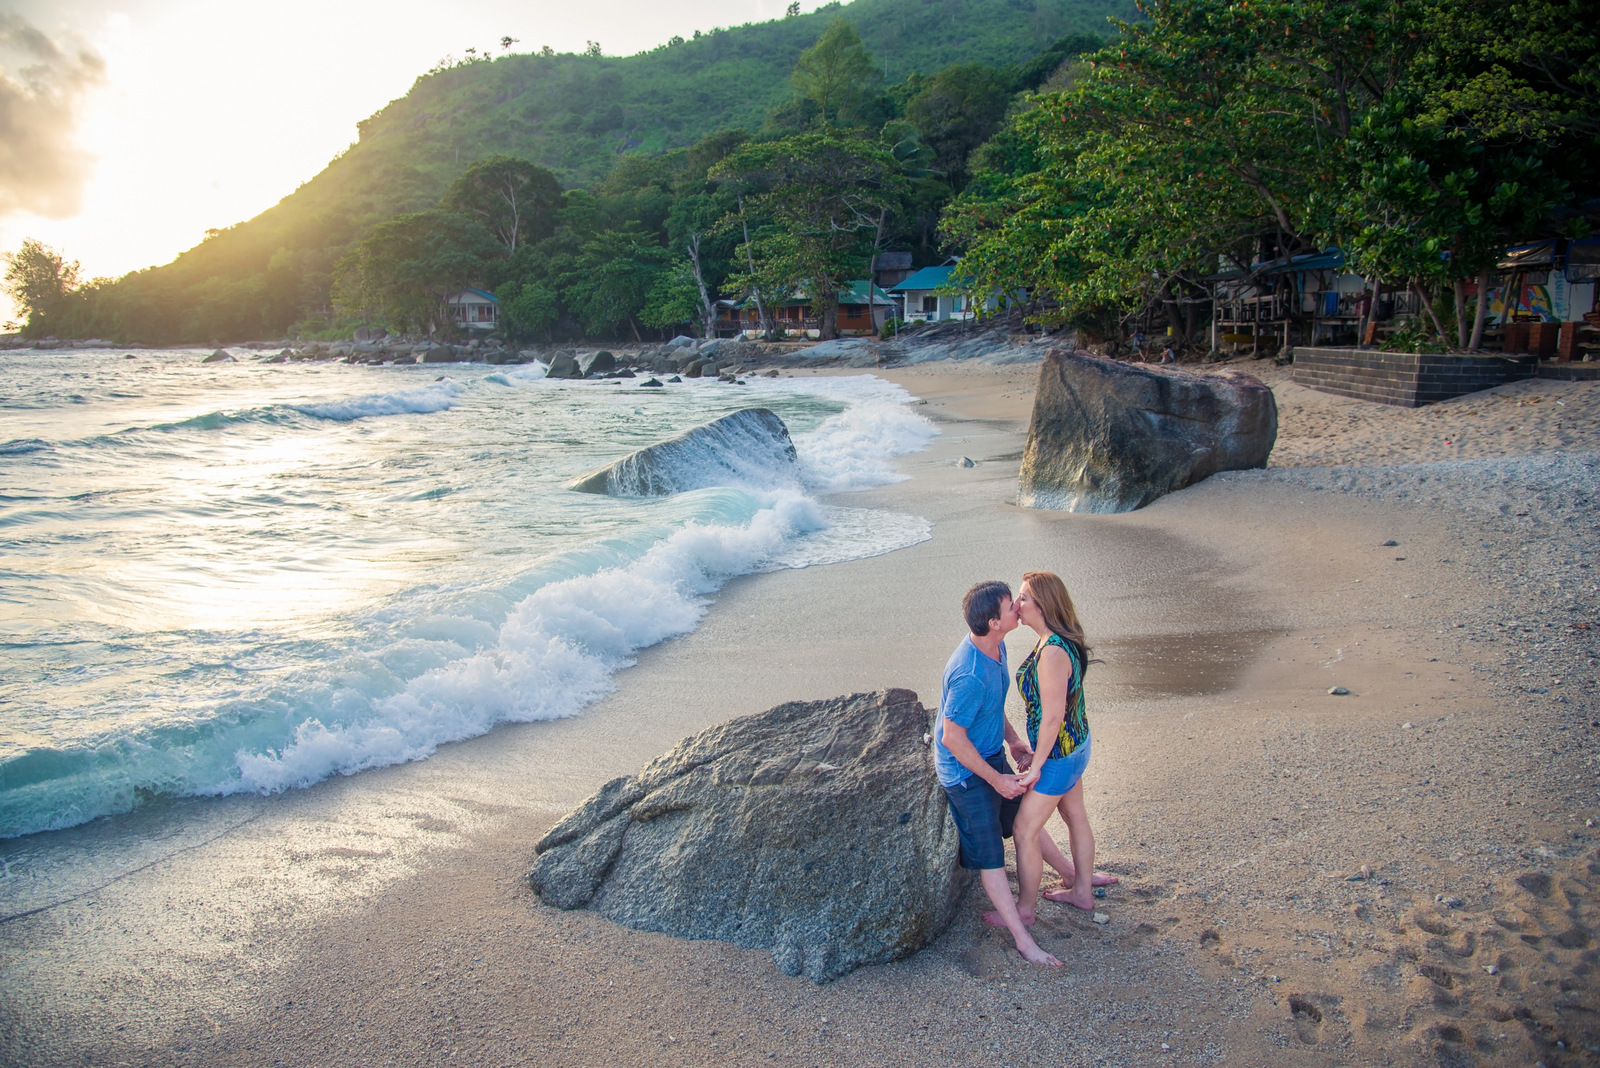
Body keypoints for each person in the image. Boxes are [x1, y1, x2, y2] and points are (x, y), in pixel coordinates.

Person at [934, 580, 1061, 966]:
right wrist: (996, 780)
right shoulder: (969, 674)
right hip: (965, 774)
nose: (1018, 609)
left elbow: (992, 708)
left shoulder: (996, 645)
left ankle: (1073, 874)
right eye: (1011, 606)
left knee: (1026, 821)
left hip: (990, 754)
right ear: (993, 622)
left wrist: (1013, 741)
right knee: (992, 857)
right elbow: (952, 738)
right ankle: (1023, 941)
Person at [1010, 570, 1098, 921]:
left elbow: (1052, 718)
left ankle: (1025, 911)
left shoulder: (1053, 653)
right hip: (1075, 746)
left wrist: (1037, 764)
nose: (1017, 604)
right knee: (1074, 815)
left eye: (1024, 598)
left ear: (1043, 606)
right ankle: (1083, 892)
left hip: (1060, 756)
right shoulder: (1056, 639)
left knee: (1023, 829)